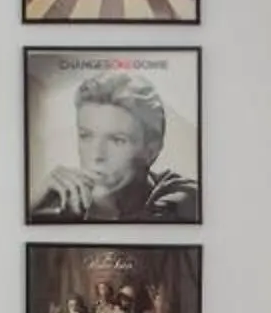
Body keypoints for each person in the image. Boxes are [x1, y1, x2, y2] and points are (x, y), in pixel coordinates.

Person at [32, 67, 198, 223]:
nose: (97, 155)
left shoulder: (185, 199)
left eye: (117, 140)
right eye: (86, 136)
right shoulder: (59, 203)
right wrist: (31, 209)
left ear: (151, 150)